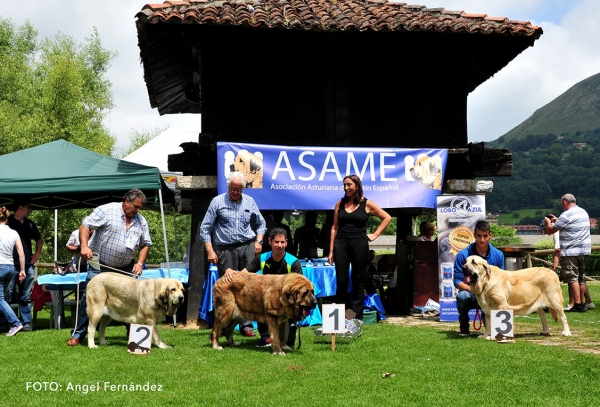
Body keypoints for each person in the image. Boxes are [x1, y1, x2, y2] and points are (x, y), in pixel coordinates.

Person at [67, 188, 152, 346]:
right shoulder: (106, 210)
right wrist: (84, 246)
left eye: (140, 207)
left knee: (131, 301)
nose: (138, 210)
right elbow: (85, 226)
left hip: (125, 268)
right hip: (100, 266)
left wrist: (140, 263)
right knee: (89, 300)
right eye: (136, 206)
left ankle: (135, 339)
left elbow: (145, 244)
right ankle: (78, 334)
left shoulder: (141, 220)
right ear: (126, 201)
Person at [199, 171, 266, 337]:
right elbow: (205, 228)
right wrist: (210, 250)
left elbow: (261, 223)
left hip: (247, 246)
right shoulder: (217, 202)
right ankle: (222, 325)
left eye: (239, 189)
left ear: (243, 188)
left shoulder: (250, 201)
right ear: (228, 186)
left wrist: (259, 241)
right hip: (225, 248)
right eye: (233, 188)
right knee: (228, 287)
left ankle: (246, 325)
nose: (236, 192)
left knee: (248, 286)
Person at [223, 227, 302, 347]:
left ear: (286, 242)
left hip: (286, 304)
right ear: (270, 241)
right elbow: (244, 274)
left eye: (282, 242)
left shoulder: (293, 262)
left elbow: (299, 289)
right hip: (268, 302)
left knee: (288, 343)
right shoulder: (262, 258)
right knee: (262, 301)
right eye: (276, 242)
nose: (279, 245)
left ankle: (283, 340)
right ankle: (266, 337)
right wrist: (230, 271)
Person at [328, 175, 391, 320]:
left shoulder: (366, 203)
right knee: (341, 281)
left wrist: (375, 234)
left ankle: (357, 317)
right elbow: (334, 227)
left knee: (358, 280)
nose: (346, 188)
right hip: (341, 243)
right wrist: (331, 250)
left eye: (349, 184)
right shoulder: (340, 203)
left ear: (357, 186)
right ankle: (340, 317)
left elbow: (387, 217)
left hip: (360, 243)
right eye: (344, 185)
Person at [453, 220, 504, 336]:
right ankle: (464, 324)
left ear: (490, 235)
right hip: (470, 293)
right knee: (462, 296)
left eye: (485, 236)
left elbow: (501, 279)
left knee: (492, 332)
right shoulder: (463, 255)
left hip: (489, 295)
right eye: (479, 236)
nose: (482, 240)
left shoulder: (498, 255)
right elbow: (457, 281)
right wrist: (473, 290)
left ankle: (498, 329)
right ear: (474, 235)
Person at [544, 194, 594, 312]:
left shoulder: (566, 214)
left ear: (565, 202)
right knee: (581, 278)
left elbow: (551, 230)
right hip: (584, 250)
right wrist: (558, 221)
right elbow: (571, 225)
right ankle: (582, 303)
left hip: (571, 251)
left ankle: (577, 304)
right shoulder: (583, 212)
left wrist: (548, 222)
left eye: (562, 204)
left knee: (572, 278)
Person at [7, 199, 43, 332]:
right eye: (28, 207)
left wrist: (37, 254)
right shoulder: (7, 222)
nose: (30, 210)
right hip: (10, 264)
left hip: (28, 265)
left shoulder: (30, 224)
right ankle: (7, 322)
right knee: (7, 295)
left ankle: (26, 323)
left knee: (26, 295)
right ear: (20, 207)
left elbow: (39, 239)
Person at [0, 207, 26, 336]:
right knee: (3, 298)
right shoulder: (14, 232)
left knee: (0, 299)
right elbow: (21, 253)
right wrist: (22, 270)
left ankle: (15, 323)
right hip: (10, 267)